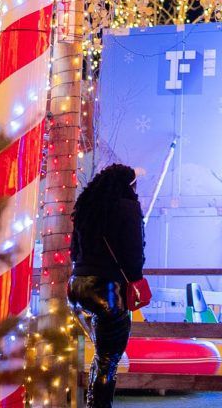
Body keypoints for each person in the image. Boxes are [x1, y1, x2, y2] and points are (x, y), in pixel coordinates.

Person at [69, 164, 150, 408]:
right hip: (108, 291)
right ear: (129, 185)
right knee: (108, 360)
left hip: (77, 289)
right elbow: (134, 254)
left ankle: (93, 403)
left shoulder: (86, 206)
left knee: (101, 355)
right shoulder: (128, 208)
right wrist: (135, 278)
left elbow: (74, 251)